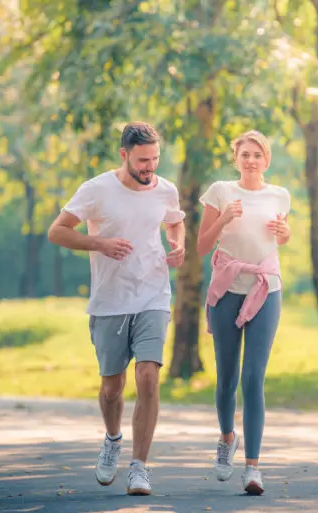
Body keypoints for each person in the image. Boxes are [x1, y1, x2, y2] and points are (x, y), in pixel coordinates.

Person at [47, 121, 185, 496]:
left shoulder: (166, 190)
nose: (149, 167)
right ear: (124, 155)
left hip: (153, 294)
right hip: (110, 301)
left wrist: (177, 245)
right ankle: (112, 438)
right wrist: (99, 244)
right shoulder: (96, 190)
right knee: (112, 388)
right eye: (142, 160)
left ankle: (139, 467)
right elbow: (57, 231)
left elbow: (175, 223)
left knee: (147, 376)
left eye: (155, 159)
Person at [196, 129, 291, 495]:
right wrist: (222, 220)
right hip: (227, 289)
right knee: (227, 378)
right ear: (235, 158)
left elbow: (280, 237)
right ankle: (226, 438)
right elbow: (203, 245)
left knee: (254, 378)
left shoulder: (280, 195)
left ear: (266, 160)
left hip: (266, 289)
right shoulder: (221, 191)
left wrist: (284, 233)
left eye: (257, 154)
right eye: (245, 154)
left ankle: (253, 468)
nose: (251, 160)